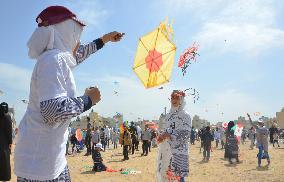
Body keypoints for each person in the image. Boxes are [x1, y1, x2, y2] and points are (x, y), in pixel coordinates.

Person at [14, 5, 124, 181]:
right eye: (76, 35)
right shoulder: (53, 60)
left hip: (50, 159)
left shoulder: (56, 59)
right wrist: (88, 100)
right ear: (64, 34)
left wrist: (105, 39)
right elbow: (51, 111)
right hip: (40, 167)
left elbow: (78, 55)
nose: (78, 43)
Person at [157, 90, 191, 182]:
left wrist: (170, 135)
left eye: (177, 97)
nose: (174, 100)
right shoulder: (168, 116)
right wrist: (161, 136)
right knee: (166, 176)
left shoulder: (185, 115)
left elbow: (186, 135)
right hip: (166, 151)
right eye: (172, 97)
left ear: (182, 99)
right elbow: (166, 129)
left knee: (178, 178)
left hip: (179, 153)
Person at [0, 102, 12, 182]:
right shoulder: (7, 116)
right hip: (4, 143)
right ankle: (4, 177)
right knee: (5, 161)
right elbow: (9, 131)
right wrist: (10, 142)